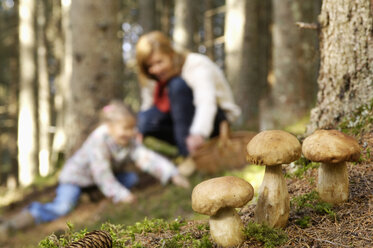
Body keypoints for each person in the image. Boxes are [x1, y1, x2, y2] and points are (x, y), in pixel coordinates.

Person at [0, 100, 189, 237]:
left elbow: (146, 157)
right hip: (75, 179)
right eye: (126, 129)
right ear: (110, 126)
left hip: (96, 181)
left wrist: (172, 174)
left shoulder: (129, 140)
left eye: (133, 128)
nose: (131, 133)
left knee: (131, 179)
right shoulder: (98, 140)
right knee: (63, 206)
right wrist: (122, 196)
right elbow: (102, 175)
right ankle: (17, 222)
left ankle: (92, 194)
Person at [135, 31, 241, 157]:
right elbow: (148, 107)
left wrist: (199, 133)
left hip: (215, 119)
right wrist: (138, 129)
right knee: (144, 119)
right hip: (180, 120)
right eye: (150, 66)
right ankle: (186, 149)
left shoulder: (196, 64)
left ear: (171, 54)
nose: (155, 69)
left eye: (159, 62)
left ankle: (189, 154)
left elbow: (206, 102)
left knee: (177, 86)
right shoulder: (154, 78)